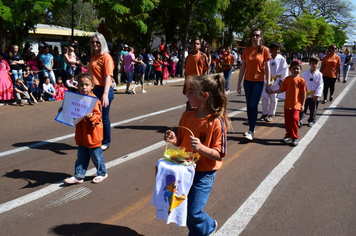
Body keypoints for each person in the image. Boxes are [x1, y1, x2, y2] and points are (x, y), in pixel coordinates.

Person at [164, 74, 229, 236]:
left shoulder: (215, 122)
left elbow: (219, 154)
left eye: (191, 91)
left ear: (204, 96)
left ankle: (209, 226)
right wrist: (174, 140)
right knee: (184, 208)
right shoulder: (186, 116)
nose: (187, 94)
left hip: (204, 173)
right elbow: (181, 141)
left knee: (194, 212)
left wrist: (200, 147)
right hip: (184, 170)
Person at [63, 73, 108, 184]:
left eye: (87, 84)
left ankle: (102, 173)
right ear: (77, 86)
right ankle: (79, 175)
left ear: (92, 86)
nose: (84, 87)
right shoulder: (76, 99)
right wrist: (63, 111)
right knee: (81, 157)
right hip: (82, 136)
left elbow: (98, 117)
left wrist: (91, 117)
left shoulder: (94, 101)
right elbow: (71, 112)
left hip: (93, 135)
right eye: (81, 85)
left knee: (96, 156)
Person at [237, 28, 271, 141]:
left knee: (253, 105)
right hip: (247, 81)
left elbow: (267, 67)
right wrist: (238, 83)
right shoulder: (246, 51)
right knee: (249, 105)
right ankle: (251, 127)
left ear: (261, 37)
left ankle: (251, 130)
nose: (255, 37)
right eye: (253, 35)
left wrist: (269, 81)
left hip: (259, 81)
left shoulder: (264, 50)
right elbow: (243, 68)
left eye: (257, 35)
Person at [266, 60, 306, 147]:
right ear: (290, 69)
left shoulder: (301, 80)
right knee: (287, 122)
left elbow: (303, 93)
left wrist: (302, 104)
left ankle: (295, 137)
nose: (296, 70)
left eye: (297, 69)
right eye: (294, 68)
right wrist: (272, 91)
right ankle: (288, 135)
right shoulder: (287, 79)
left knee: (295, 119)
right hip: (287, 104)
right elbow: (282, 89)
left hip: (297, 104)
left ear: (300, 69)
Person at [87, 33, 115, 151]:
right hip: (93, 91)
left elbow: (108, 76)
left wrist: (105, 94)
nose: (95, 44)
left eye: (97, 42)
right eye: (93, 42)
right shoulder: (93, 56)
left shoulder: (106, 57)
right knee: (92, 116)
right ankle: (95, 139)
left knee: (104, 117)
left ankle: (106, 141)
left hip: (104, 90)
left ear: (102, 43)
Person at [260, 42, 288, 122]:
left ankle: (271, 114)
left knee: (274, 98)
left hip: (276, 81)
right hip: (267, 80)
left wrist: (282, 80)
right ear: (271, 50)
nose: (277, 51)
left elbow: (284, 70)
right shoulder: (266, 57)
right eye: (275, 49)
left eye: (278, 49)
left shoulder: (282, 59)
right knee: (264, 96)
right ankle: (264, 113)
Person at [184, 38, 209, 110]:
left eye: (197, 44)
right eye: (194, 43)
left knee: (198, 106)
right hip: (189, 86)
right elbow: (186, 72)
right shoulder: (188, 58)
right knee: (188, 105)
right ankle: (187, 120)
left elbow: (205, 71)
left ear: (200, 46)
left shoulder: (202, 56)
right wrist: (185, 86)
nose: (195, 45)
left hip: (198, 85)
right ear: (191, 45)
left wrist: (204, 85)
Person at [298, 56, 323, 128]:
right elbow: (302, 83)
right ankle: (300, 120)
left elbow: (320, 85)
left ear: (318, 64)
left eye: (316, 63)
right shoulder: (305, 74)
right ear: (310, 64)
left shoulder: (319, 74)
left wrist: (317, 94)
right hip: (306, 94)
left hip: (314, 95)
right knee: (303, 108)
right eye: (313, 63)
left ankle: (311, 120)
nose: (314, 65)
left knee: (313, 109)